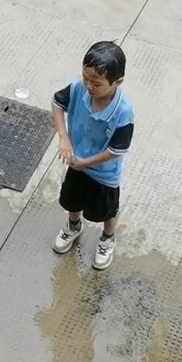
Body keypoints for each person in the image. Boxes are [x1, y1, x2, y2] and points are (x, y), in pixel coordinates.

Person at [51, 41, 134, 270]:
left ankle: (107, 238)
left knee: (107, 210)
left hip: (104, 173)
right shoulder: (78, 89)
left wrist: (85, 163)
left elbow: (116, 150)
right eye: (86, 78)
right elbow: (57, 103)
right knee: (72, 199)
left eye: (96, 83)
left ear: (117, 82)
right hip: (77, 162)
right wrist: (63, 136)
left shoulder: (123, 111)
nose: (89, 86)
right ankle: (73, 225)